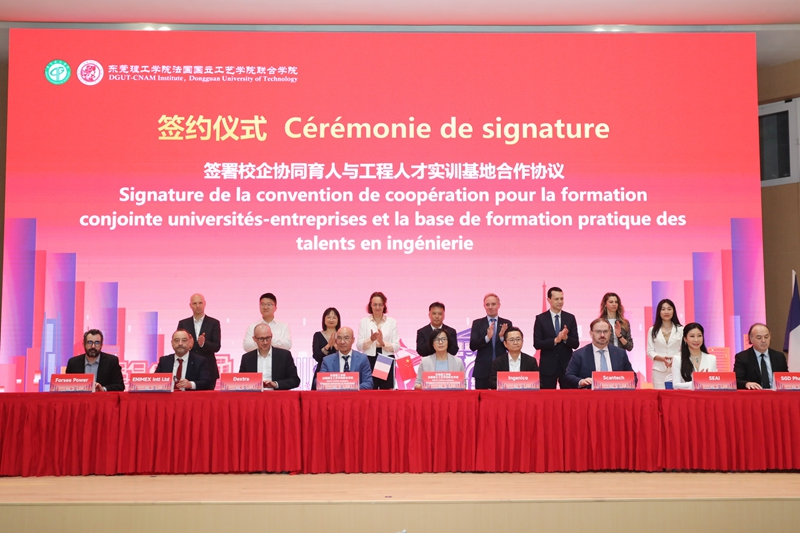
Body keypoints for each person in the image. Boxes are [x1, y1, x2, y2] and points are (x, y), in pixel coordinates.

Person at [564, 318, 637, 389]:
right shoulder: (579, 354)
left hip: (615, 395)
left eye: (605, 331)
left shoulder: (620, 353)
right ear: (591, 334)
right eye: (598, 331)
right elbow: (568, 376)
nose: (602, 335)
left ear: (610, 333)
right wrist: (581, 381)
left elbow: (633, 377)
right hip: (590, 395)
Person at [533, 287, 579, 389]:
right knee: (547, 397)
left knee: (569, 396)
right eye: (556, 299)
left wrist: (566, 338)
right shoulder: (540, 319)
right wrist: (555, 340)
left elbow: (576, 344)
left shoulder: (570, 318)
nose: (560, 302)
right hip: (548, 367)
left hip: (567, 367)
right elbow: (537, 343)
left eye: (561, 299)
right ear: (549, 300)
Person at [469, 293, 513, 390]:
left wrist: (502, 338)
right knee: (481, 397)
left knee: (501, 398)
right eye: (487, 304)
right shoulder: (477, 323)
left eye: (493, 304)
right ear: (484, 306)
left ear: (499, 305)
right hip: (482, 370)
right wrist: (487, 338)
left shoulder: (506, 323)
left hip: (501, 368)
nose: (490, 307)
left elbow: (512, 347)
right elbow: (472, 345)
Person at [177, 293, 221, 389]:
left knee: (208, 398)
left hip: (208, 370)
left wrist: (204, 344)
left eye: (200, 303)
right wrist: (188, 346)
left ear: (205, 304)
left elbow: (217, 346)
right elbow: (178, 346)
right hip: (188, 368)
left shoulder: (214, 323)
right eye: (195, 303)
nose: (198, 306)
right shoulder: (183, 323)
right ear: (190, 305)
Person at [357, 292, 399, 389]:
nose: (377, 307)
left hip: (386, 358)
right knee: (370, 388)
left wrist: (383, 343)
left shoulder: (392, 322)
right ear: (370, 305)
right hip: (369, 358)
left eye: (380, 304)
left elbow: (396, 346)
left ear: (384, 305)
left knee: (386, 391)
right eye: (375, 304)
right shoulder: (364, 321)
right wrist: (371, 340)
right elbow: (359, 346)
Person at [239, 324, 300, 390]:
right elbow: (240, 382)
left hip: (277, 395)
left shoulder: (284, 356)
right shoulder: (247, 358)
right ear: (254, 339)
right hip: (255, 395)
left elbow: (295, 380)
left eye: (268, 338)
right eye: (261, 339)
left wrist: (276, 384)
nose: (265, 342)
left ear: (272, 336)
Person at [734, 323, 789, 390]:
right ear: (751, 339)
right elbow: (737, 381)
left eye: (766, 337)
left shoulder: (779, 356)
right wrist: (746, 383)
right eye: (759, 338)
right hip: (755, 394)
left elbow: (786, 379)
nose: (763, 341)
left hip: (775, 394)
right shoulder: (742, 357)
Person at [646, 298, 683, 389]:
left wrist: (675, 359)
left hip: (677, 369)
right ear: (659, 312)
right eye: (663, 309)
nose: (666, 312)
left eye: (669, 309)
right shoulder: (652, 330)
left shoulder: (681, 329)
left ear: (673, 311)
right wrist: (662, 359)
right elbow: (650, 351)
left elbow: (684, 350)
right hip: (659, 371)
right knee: (660, 395)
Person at [671, 322, 717, 389]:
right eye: (692, 336)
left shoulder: (712, 359)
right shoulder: (678, 359)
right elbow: (676, 385)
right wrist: (696, 382)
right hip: (687, 395)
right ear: (685, 339)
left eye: (699, 336)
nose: (696, 340)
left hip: (707, 395)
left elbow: (715, 383)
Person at [311, 307, 341, 389]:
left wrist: (336, 347)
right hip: (322, 371)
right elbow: (316, 356)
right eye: (328, 317)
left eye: (334, 317)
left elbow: (346, 356)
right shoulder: (317, 335)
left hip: (339, 372)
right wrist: (327, 346)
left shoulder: (341, 335)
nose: (331, 320)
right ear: (324, 319)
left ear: (338, 320)